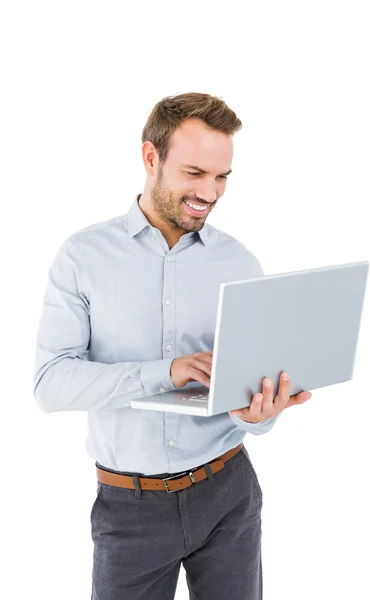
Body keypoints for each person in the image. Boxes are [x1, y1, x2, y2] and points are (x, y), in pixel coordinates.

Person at [33, 92, 312, 600]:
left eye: (222, 177)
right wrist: (168, 370)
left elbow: (246, 401)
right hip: (130, 507)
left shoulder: (240, 263)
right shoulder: (82, 257)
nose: (210, 192)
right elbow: (51, 385)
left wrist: (260, 414)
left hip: (229, 493)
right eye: (194, 172)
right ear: (150, 158)